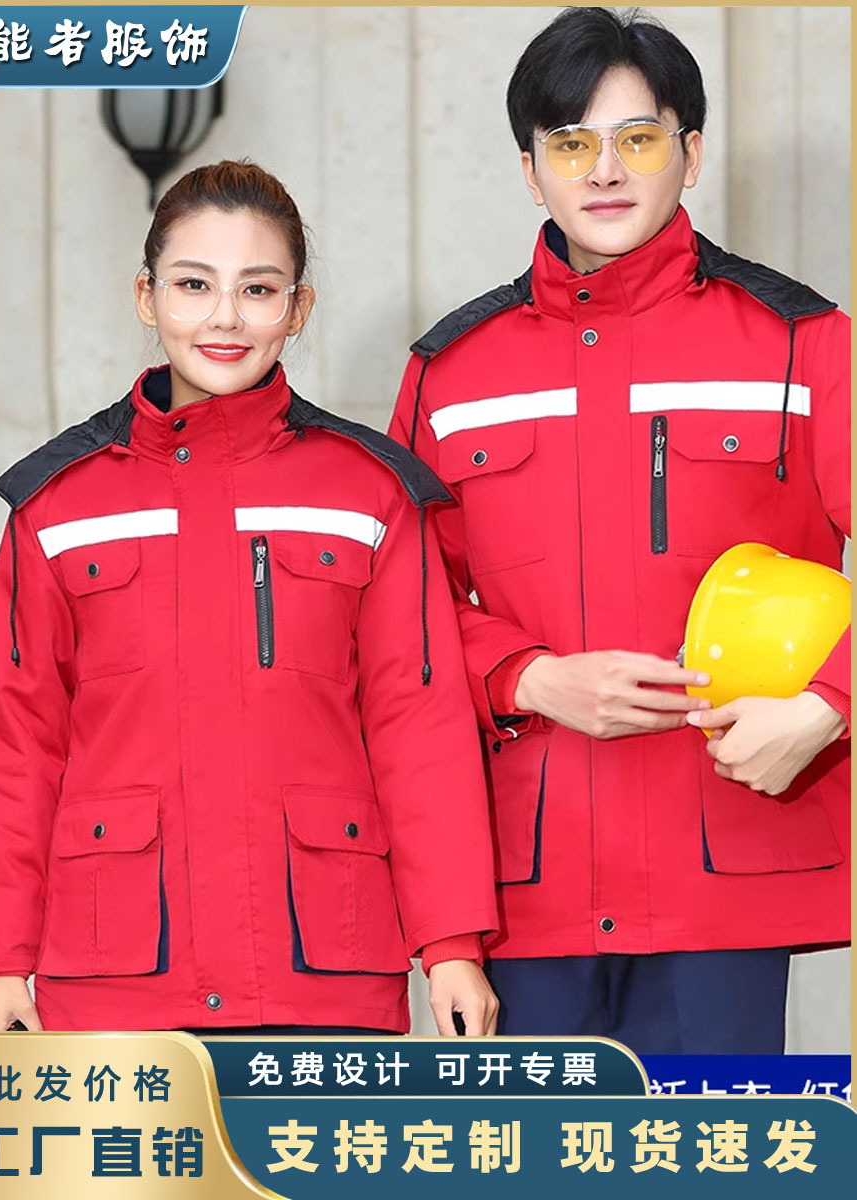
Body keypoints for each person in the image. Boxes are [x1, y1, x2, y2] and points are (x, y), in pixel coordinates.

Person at [388, 7, 850, 1053]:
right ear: (529, 170)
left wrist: (830, 705)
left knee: (715, 1164)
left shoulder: (801, 344)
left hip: (726, 873)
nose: (604, 170)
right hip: (527, 883)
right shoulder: (452, 373)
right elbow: (397, 623)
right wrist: (528, 678)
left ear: (690, 155)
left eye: (638, 139)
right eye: (569, 144)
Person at [0, 160, 500, 1036]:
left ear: (299, 308)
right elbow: (14, 742)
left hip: (316, 963)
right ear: (146, 296)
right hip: (117, 971)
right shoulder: (60, 504)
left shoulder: (368, 493)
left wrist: (451, 944)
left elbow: (419, 723)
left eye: (258, 289)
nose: (224, 317)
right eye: (193, 285)